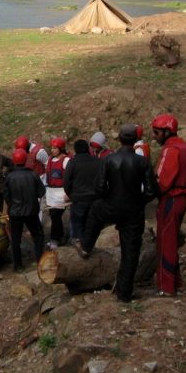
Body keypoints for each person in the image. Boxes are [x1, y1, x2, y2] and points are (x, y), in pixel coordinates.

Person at [76, 125, 157, 303]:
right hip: (133, 211)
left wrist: (109, 197)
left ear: (119, 139)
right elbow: (151, 191)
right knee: (131, 253)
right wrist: (138, 201)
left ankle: (86, 246)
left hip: (111, 205)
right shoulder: (142, 162)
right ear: (135, 140)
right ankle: (124, 294)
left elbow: (99, 187)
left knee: (95, 211)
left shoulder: (109, 160)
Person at [151, 113, 186, 296]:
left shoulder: (171, 150)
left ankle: (166, 287)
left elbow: (162, 180)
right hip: (181, 197)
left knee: (165, 242)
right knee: (172, 241)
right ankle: (176, 282)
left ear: (167, 132)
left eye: (157, 132)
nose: (154, 136)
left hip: (171, 198)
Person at [4, 148, 45, 271]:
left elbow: (6, 195)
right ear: (25, 159)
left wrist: (11, 205)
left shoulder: (9, 177)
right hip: (31, 211)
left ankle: (18, 265)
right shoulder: (33, 174)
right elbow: (41, 192)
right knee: (38, 236)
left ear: (14, 161)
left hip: (15, 213)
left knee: (15, 239)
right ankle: (40, 261)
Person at [64, 138, 101, 241]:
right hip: (95, 198)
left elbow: (66, 181)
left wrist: (70, 194)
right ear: (87, 149)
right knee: (91, 225)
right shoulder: (97, 161)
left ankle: (79, 247)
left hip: (78, 199)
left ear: (75, 150)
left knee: (77, 226)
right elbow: (102, 179)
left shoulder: (72, 162)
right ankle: (90, 245)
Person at [43, 137, 70, 248]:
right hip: (50, 192)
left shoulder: (66, 160)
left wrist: (69, 192)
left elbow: (70, 177)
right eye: (51, 148)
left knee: (56, 215)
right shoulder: (49, 159)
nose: (52, 150)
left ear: (61, 148)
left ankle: (54, 239)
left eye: (55, 148)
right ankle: (60, 236)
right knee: (53, 216)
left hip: (61, 192)